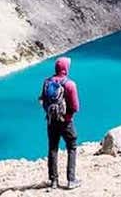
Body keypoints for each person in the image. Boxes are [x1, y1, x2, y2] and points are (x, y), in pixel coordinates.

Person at [39, 57, 81, 189]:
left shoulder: (47, 82)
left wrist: (50, 113)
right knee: (72, 147)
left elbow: (42, 100)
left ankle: (53, 181)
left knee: (53, 148)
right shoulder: (70, 84)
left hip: (51, 121)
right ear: (65, 69)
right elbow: (75, 107)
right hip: (66, 122)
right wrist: (67, 116)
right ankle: (71, 180)